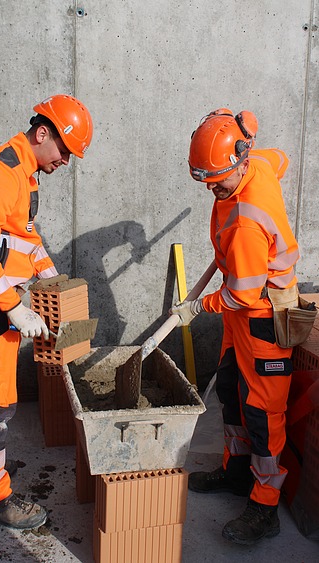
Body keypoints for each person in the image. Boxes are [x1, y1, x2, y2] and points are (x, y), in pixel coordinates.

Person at [0, 94, 93, 529]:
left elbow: (25, 240)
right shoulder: (0, 173)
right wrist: (16, 308)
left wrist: (52, 282)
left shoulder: (26, 178)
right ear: (42, 133)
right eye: (64, 151)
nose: (66, 161)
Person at [171, 108, 300, 545]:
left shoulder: (246, 220)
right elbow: (279, 159)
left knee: (262, 414)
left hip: (262, 317)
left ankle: (265, 506)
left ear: (240, 162)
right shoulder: (258, 163)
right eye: (205, 180)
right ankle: (236, 471)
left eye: (216, 180)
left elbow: (241, 294)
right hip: (241, 318)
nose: (211, 187)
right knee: (230, 391)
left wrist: (197, 306)